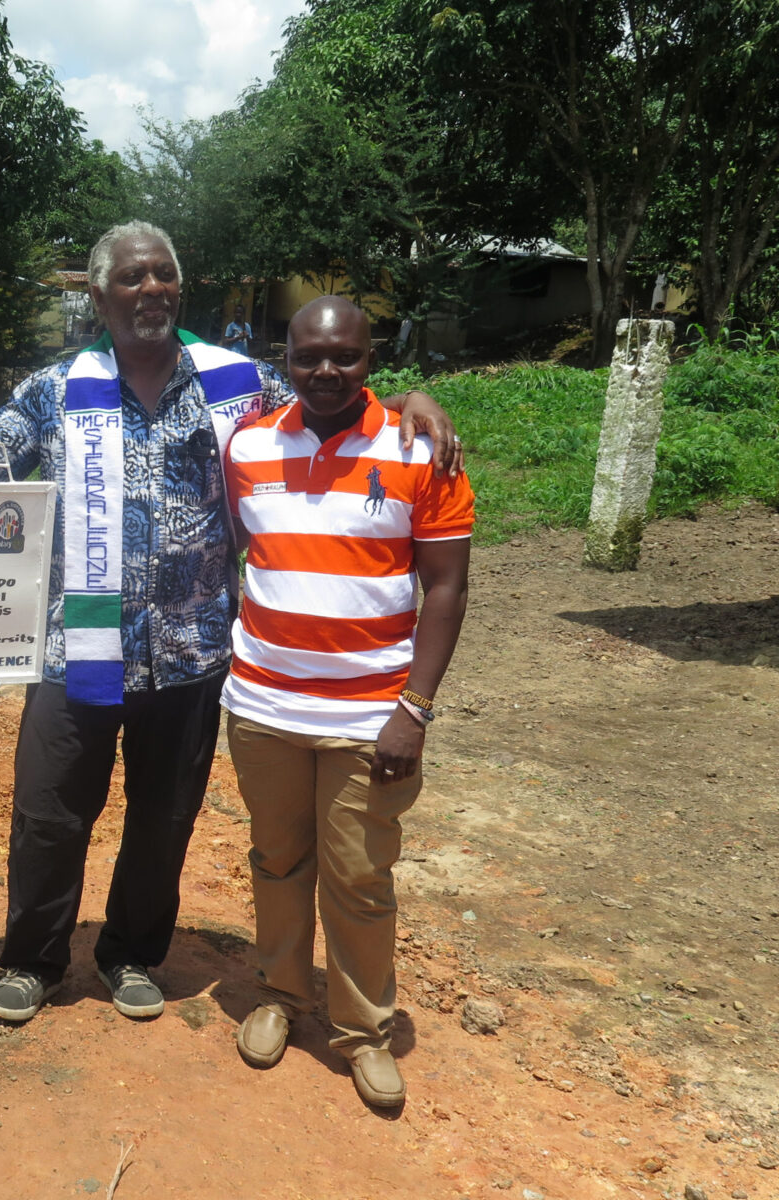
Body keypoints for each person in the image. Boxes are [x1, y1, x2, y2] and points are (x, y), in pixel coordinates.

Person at [0, 222, 462, 1025]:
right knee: (48, 811)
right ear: (98, 294)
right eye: (132, 279)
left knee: (164, 817)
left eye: (164, 277)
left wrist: (405, 400)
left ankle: (131, 953)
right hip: (74, 646)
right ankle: (33, 961)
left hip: (191, 654)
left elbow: (329, 399)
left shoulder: (235, 383)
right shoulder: (59, 386)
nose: (152, 291)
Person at [223, 296, 473, 1107]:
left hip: (372, 716)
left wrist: (417, 709)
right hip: (262, 706)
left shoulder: (419, 450)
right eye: (308, 357)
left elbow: (446, 587)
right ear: (284, 359)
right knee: (277, 860)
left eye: (346, 356)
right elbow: (250, 551)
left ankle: (363, 1029)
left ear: (374, 359)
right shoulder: (249, 445)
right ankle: (281, 996)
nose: (326, 371)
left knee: (361, 877)